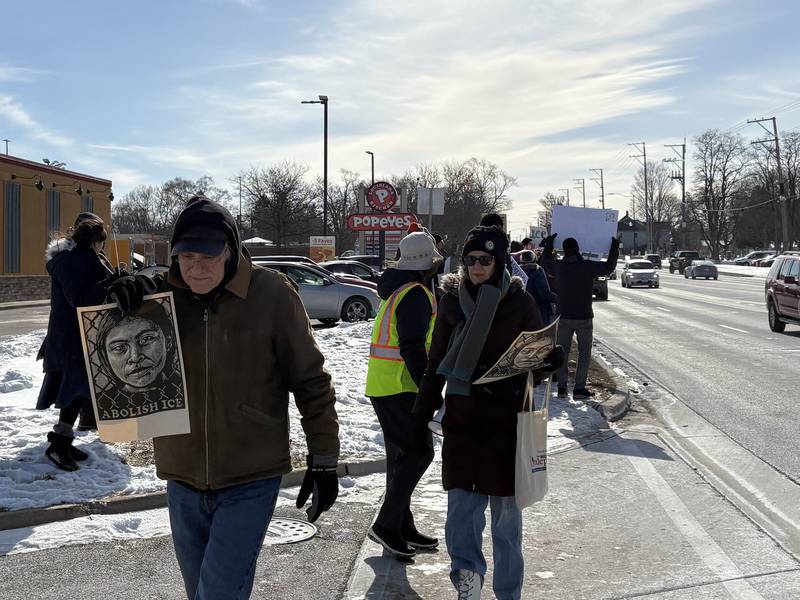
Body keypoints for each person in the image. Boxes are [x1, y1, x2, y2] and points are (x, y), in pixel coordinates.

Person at [107, 196, 340, 599]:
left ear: (230, 251)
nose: (196, 268)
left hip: (251, 474)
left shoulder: (271, 295)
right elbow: (106, 354)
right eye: (186, 257)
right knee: (199, 589)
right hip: (182, 473)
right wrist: (128, 292)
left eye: (208, 257)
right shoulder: (161, 300)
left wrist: (324, 459)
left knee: (218, 593)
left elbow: (310, 380)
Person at [414, 225, 564, 600]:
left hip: (507, 424)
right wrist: (421, 411)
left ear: (499, 263)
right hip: (463, 421)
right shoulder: (450, 302)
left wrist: (551, 360)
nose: (477, 266)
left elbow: (537, 357)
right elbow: (436, 363)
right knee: (461, 511)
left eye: (485, 260)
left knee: (506, 521)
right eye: (471, 260)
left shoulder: (519, 303)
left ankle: (508, 592)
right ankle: (467, 577)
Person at [365, 230, 442, 560]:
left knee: (402, 458)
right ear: (428, 265)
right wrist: (428, 392)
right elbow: (412, 348)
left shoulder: (398, 290)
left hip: (388, 386)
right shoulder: (415, 295)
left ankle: (401, 526)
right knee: (419, 453)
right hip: (399, 388)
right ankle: (385, 524)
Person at [36, 213, 113, 471]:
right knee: (74, 392)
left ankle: (63, 439)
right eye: (101, 242)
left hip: (74, 337)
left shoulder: (74, 260)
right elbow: (81, 300)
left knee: (77, 392)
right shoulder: (77, 263)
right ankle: (59, 444)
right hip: (74, 340)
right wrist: (108, 284)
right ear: (94, 242)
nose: (102, 246)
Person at [539, 234, 619, 399]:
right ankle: (579, 388)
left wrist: (548, 245)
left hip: (563, 316)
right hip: (584, 316)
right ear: (578, 249)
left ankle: (561, 388)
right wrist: (614, 248)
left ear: (565, 250)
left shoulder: (559, 266)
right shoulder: (587, 267)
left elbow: (544, 262)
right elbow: (609, 267)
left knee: (562, 353)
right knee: (584, 354)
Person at [92, 300, 184, 420]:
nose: (135, 357)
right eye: (119, 347)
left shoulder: (188, 389)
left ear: (168, 339)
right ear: (105, 356)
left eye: (147, 339)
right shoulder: (103, 402)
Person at [516, 249, 558, 325]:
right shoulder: (537, 271)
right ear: (534, 259)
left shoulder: (516, 272)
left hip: (522, 313)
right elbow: (544, 294)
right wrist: (558, 299)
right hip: (539, 312)